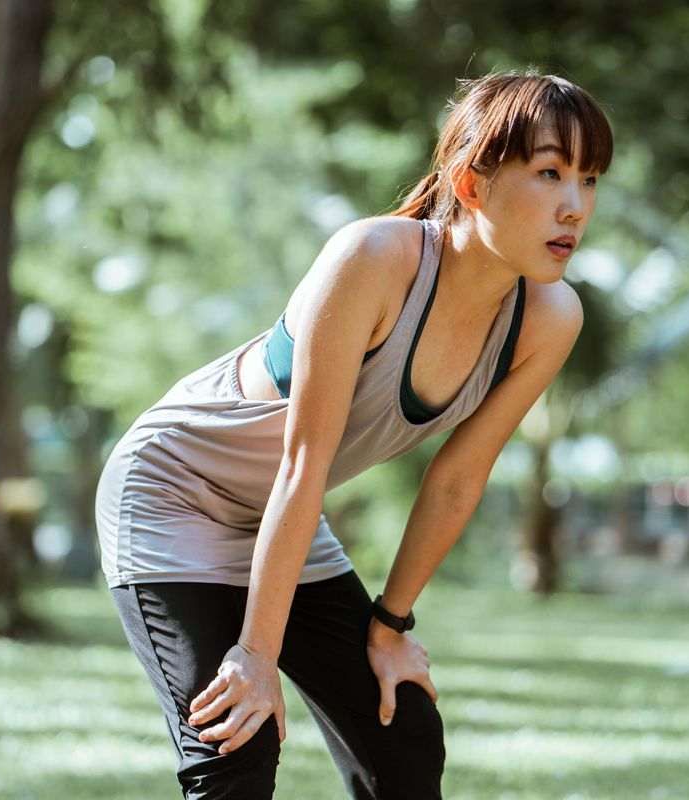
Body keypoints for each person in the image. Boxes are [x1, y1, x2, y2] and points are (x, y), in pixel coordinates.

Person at [96, 68, 613, 799]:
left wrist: (390, 625)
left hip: (282, 518)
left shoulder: (549, 318)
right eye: (550, 173)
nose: (574, 206)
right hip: (173, 494)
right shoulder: (374, 258)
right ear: (470, 185)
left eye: (590, 180)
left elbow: (459, 479)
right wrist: (254, 652)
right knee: (235, 748)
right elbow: (303, 463)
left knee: (402, 737)